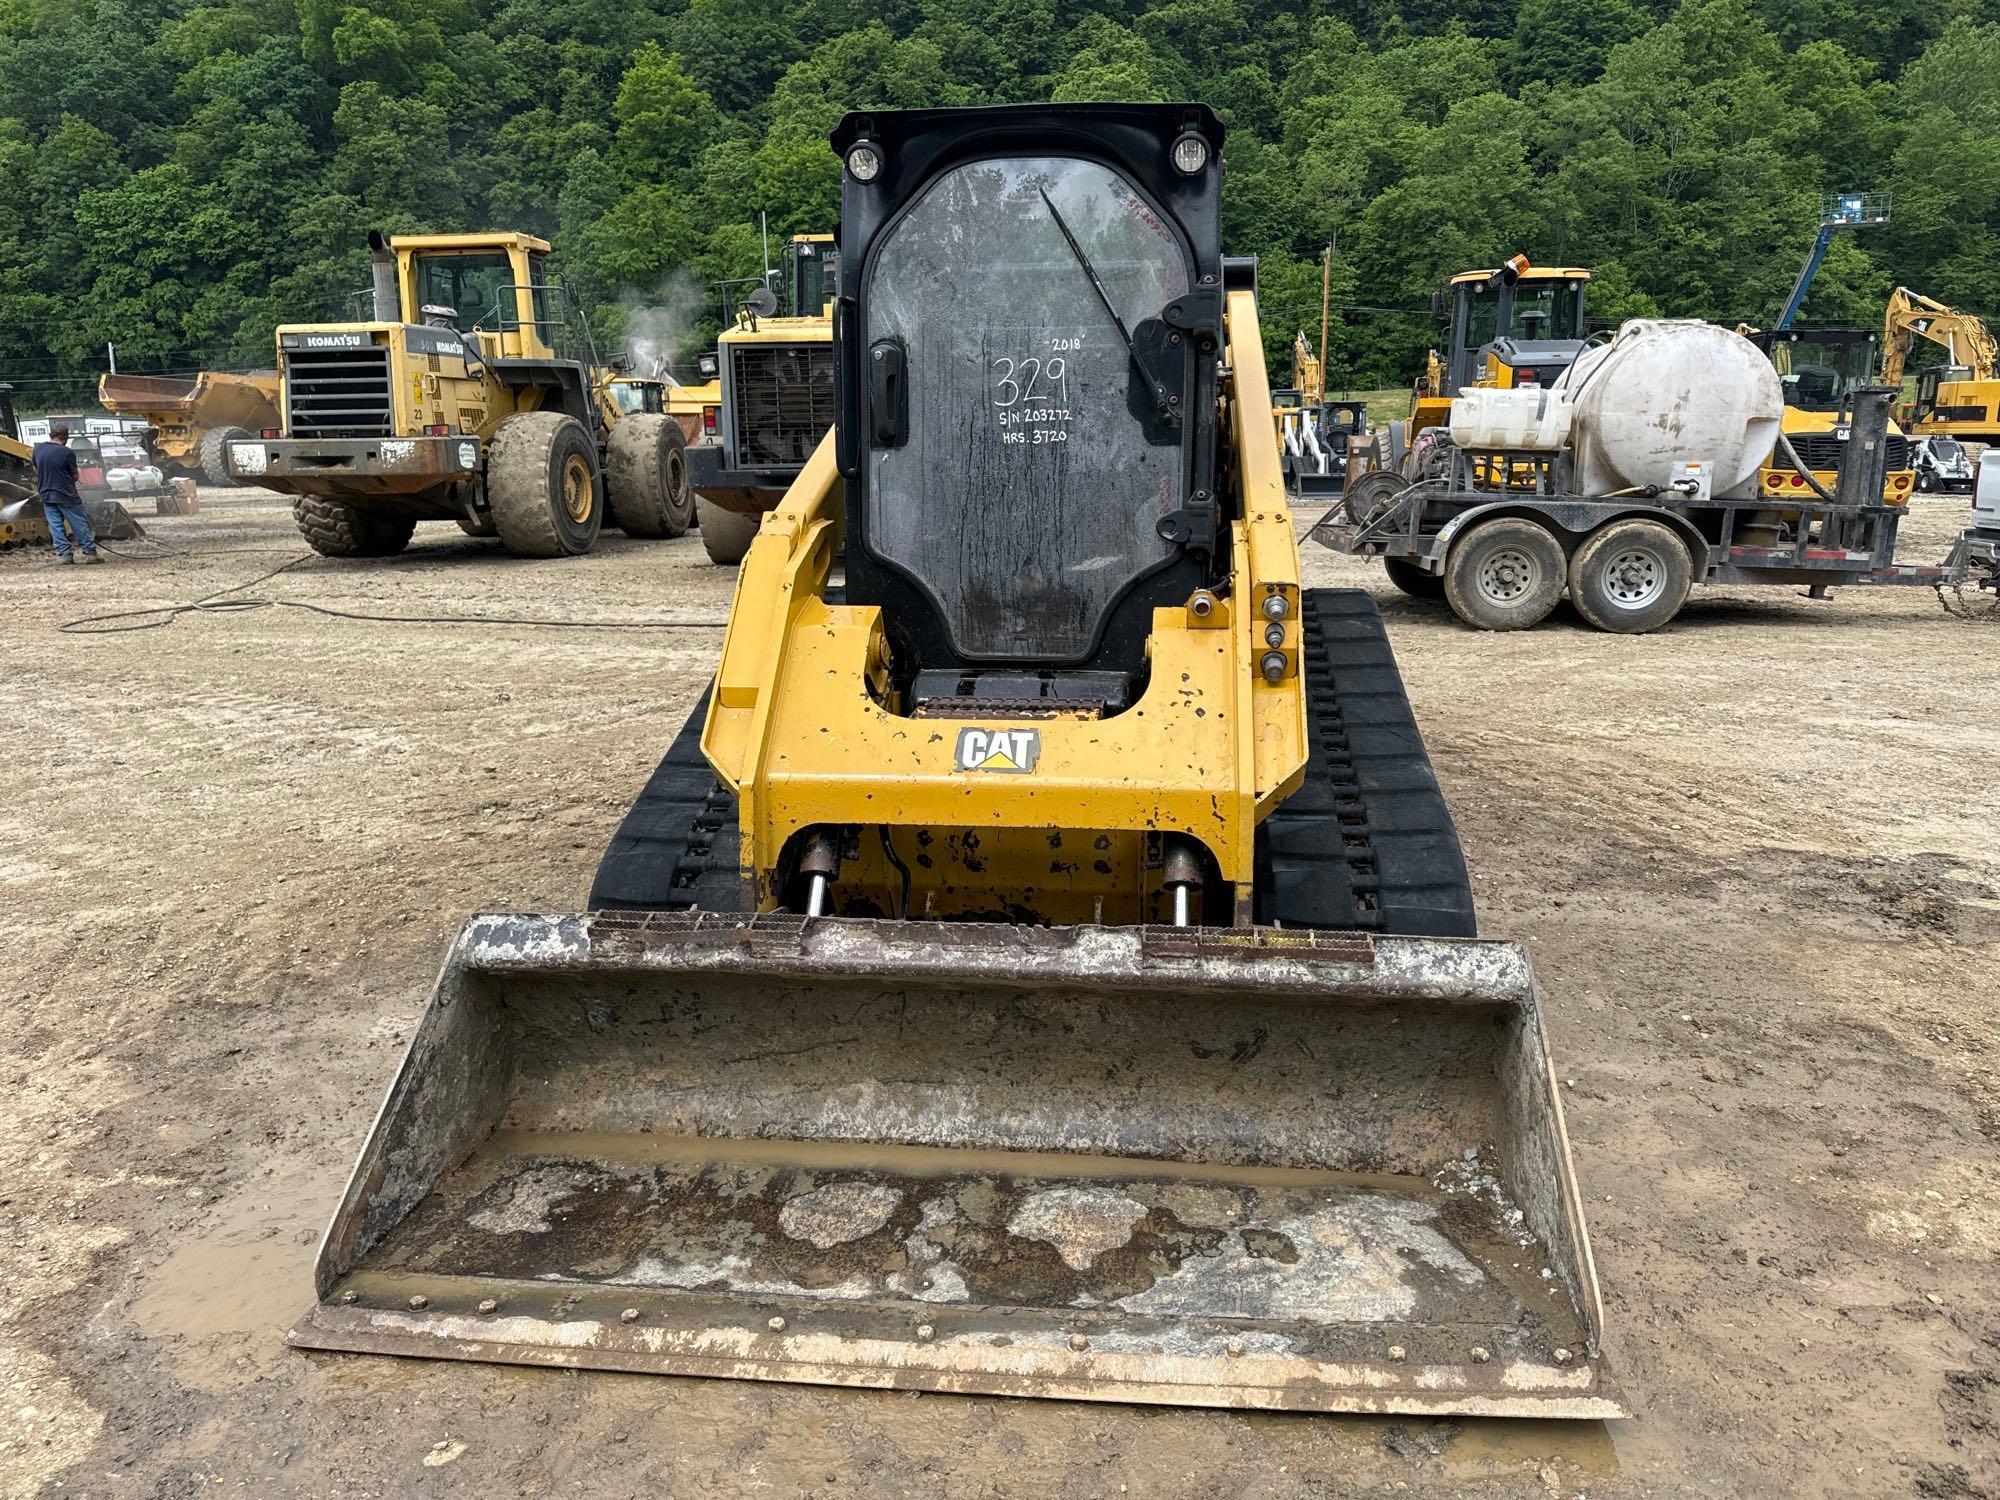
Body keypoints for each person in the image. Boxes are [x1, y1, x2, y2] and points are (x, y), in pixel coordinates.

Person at [32, 422, 99, 564]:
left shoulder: (38, 449)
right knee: (79, 523)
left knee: (55, 525)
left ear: (52, 434)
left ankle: (65, 556)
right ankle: (90, 554)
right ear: (65, 437)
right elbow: (75, 476)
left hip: (46, 493)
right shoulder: (67, 452)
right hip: (66, 495)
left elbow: (36, 469)